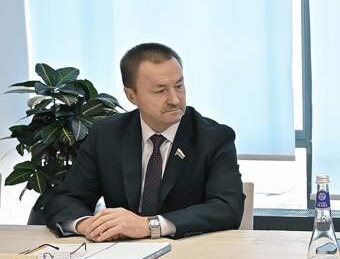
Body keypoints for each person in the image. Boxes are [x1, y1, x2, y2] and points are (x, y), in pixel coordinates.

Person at [39, 43, 244, 241]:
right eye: (160, 91)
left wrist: (149, 226)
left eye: (179, 86)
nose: (175, 99)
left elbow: (227, 208)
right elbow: (65, 199)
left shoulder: (213, 137)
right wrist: (90, 225)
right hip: (121, 254)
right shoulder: (106, 135)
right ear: (131, 95)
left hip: (190, 253)